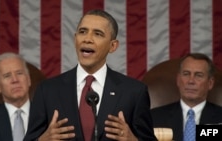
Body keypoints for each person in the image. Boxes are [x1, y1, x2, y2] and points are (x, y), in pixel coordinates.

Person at [24, 9, 156, 141]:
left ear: (113, 46)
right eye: (83, 32)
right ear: (75, 39)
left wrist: (133, 140)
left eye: (98, 34)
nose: (87, 39)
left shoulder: (134, 92)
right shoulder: (47, 90)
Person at [150, 53, 222, 141]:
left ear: (210, 83)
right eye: (186, 74)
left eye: (198, 75)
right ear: (178, 80)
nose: (191, 81)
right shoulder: (153, 117)